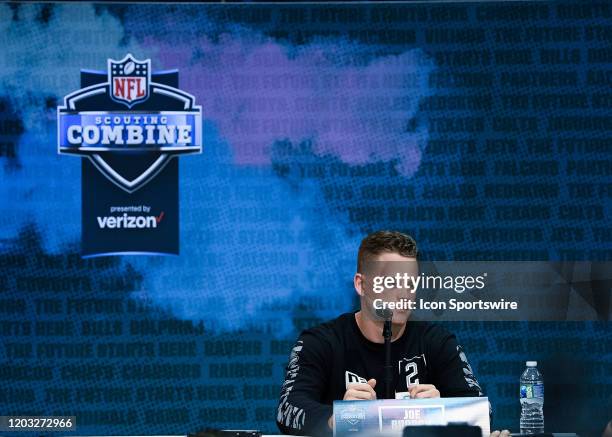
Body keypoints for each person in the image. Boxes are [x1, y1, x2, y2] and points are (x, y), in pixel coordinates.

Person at [277, 230, 497, 436]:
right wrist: (338, 418)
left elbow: (483, 412)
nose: (404, 294)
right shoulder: (320, 342)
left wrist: (443, 409)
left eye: (410, 283)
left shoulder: (438, 342)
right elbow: (287, 410)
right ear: (361, 285)